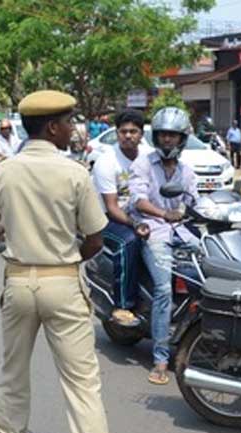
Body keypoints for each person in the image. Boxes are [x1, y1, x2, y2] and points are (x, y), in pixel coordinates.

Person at [0, 90, 127, 433]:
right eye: (68, 121)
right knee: (83, 389)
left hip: (19, 281)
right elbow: (96, 239)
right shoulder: (75, 173)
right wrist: (63, 256)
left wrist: (17, 230)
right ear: (52, 127)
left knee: (13, 373)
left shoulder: (3, 172)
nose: (73, 129)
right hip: (63, 282)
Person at [127, 107, 197, 386]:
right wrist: (163, 213)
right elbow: (137, 200)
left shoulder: (187, 170)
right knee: (163, 288)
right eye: (164, 135)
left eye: (174, 135)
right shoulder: (144, 164)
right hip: (153, 230)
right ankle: (160, 358)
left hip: (182, 232)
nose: (168, 140)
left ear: (182, 139)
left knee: (207, 276)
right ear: (156, 137)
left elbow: (194, 201)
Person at [92, 108, 152, 327]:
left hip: (140, 215)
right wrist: (136, 223)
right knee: (128, 241)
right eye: (123, 131)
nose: (128, 136)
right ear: (117, 133)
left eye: (133, 131)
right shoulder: (107, 162)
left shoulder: (148, 156)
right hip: (105, 219)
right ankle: (123, 305)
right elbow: (112, 207)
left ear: (141, 134)